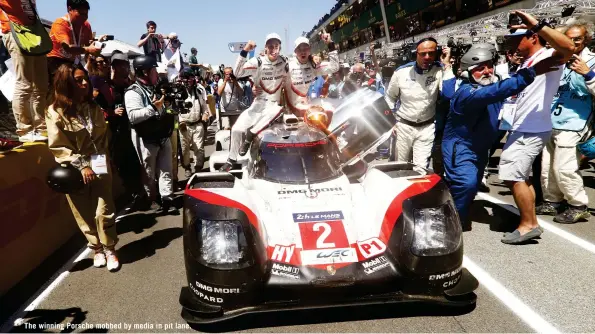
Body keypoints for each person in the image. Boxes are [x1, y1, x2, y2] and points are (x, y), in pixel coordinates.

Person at [443, 47, 558, 231]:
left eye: (489, 66)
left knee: (471, 185)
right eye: (480, 68)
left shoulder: (490, 86)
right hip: (461, 147)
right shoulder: (466, 92)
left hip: (480, 148)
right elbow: (492, 93)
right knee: (465, 183)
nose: (487, 71)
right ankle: (453, 220)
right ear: (467, 72)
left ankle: (455, 209)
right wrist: (532, 72)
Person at [498, 11, 575, 244]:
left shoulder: (548, 55)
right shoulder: (529, 61)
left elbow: (569, 47)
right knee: (519, 175)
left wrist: (538, 24)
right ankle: (529, 220)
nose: (512, 44)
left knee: (512, 175)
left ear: (533, 37)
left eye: (518, 38)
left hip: (530, 129)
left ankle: (528, 224)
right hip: (524, 127)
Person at [46, 63, 120, 271]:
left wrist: (106, 160)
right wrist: (81, 165)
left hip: (99, 163)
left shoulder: (93, 107)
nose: (85, 83)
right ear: (66, 83)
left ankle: (110, 248)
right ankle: (96, 248)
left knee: (104, 209)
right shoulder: (54, 112)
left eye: (85, 78)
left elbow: (103, 138)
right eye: (78, 80)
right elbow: (59, 146)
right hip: (74, 169)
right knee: (83, 212)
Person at [537, 22, 595, 224]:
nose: (573, 42)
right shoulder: (559, 61)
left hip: (576, 122)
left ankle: (578, 204)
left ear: (586, 40)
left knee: (565, 167)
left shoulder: (593, 62)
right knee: (548, 166)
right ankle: (552, 200)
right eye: (569, 38)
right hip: (552, 120)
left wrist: (589, 74)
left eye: (578, 38)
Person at [219, 33, 289, 172]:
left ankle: (250, 135)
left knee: (277, 109)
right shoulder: (259, 61)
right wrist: (245, 50)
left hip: (274, 106)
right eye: (270, 46)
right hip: (259, 103)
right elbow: (238, 73)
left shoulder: (285, 61)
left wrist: (312, 58)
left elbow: (300, 64)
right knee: (237, 129)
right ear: (265, 47)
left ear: (280, 47)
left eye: (276, 46)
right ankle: (231, 159)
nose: (273, 49)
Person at [384, 37, 454, 168]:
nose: (427, 57)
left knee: (421, 169)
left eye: (431, 53)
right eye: (423, 54)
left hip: (426, 128)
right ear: (415, 53)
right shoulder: (401, 72)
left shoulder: (440, 70)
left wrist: (447, 65)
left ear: (437, 53)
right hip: (403, 126)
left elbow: (449, 94)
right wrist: (391, 122)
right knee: (399, 165)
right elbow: (389, 98)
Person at [125, 55, 176, 213]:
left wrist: (166, 107)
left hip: (161, 134)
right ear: (145, 72)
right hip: (145, 138)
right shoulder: (133, 92)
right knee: (148, 172)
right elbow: (133, 116)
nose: (157, 73)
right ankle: (151, 199)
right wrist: (153, 108)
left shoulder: (154, 88)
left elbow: (162, 108)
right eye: (154, 70)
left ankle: (167, 199)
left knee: (166, 168)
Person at [0, 0, 49, 142]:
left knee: (41, 85)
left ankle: (40, 127)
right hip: (14, 31)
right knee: (24, 83)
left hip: (34, 33)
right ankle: (24, 129)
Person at [46, 0, 103, 81]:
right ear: (70, 9)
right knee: (66, 80)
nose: (84, 17)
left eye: (86, 14)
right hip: (56, 60)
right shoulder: (60, 23)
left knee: (86, 82)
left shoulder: (86, 25)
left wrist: (94, 49)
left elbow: (89, 46)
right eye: (81, 14)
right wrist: (88, 49)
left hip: (73, 61)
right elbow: (68, 48)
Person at [178, 68, 210, 176]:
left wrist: (205, 115)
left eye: (190, 78)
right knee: (184, 149)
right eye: (185, 78)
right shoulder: (177, 92)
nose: (188, 81)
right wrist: (179, 121)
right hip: (184, 125)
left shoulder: (199, 90)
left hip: (197, 123)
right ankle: (187, 167)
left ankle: (198, 168)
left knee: (199, 148)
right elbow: (174, 109)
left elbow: (204, 107)